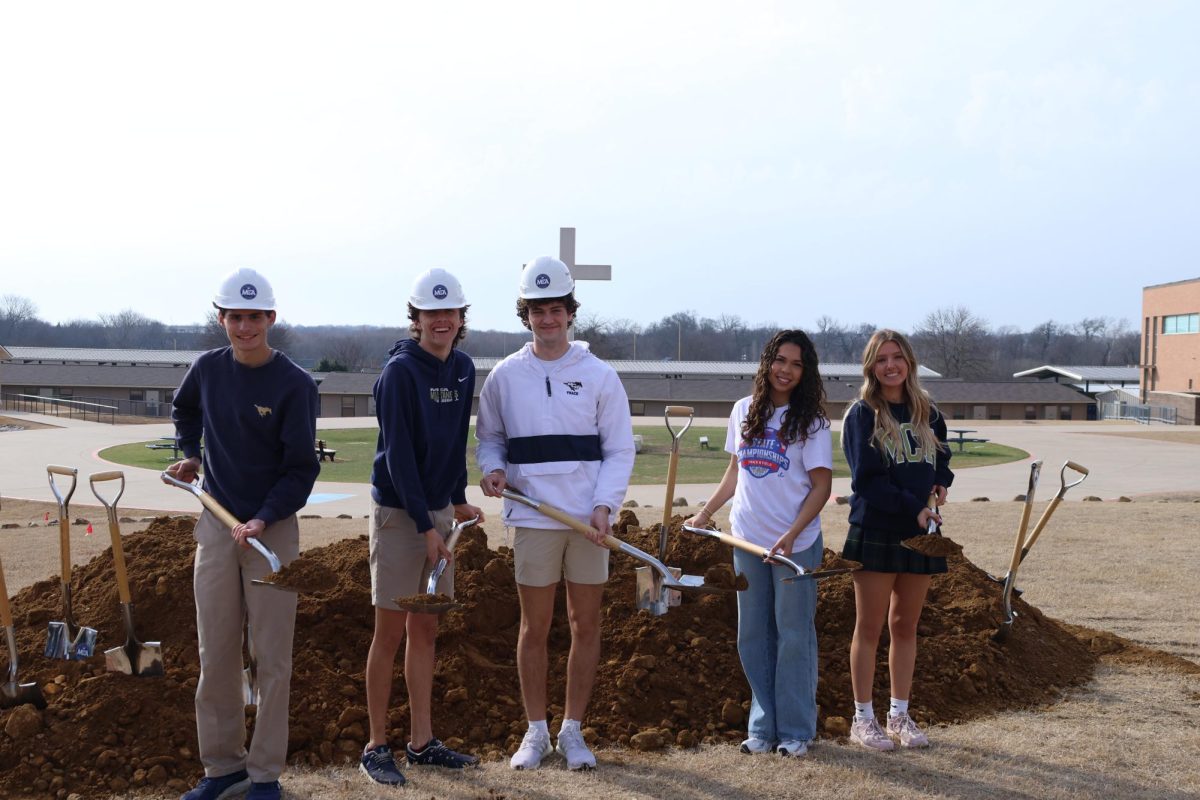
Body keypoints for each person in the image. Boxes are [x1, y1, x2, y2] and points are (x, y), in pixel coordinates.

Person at [476, 255, 635, 771]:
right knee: (534, 627)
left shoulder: (598, 375)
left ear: (571, 312)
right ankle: (535, 731)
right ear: (526, 315)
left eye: (556, 309)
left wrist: (604, 505)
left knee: (585, 625)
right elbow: (491, 439)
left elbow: (618, 449)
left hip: (587, 523)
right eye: (537, 310)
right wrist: (494, 468)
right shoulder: (504, 376)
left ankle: (572, 731)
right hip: (533, 518)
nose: (548, 319)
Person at [169, 268, 320, 800]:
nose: (245, 326)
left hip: (270, 534)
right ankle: (223, 768)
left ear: (270, 319)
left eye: (255, 317)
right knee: (216, 653)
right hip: (216, 525)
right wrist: (190, 451)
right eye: (235, 317)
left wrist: (264, 517)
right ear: (222, 319)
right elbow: (184, 409)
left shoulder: (295, 384)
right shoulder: (207, 369)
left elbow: (302, 468)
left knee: (272, 657)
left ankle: (264, 774)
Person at [360, 268, 485, 786]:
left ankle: (421, 741)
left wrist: (455, 501)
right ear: (416, 319)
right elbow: (399, 458)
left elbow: (455, 442)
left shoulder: (462, 369)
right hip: (399, 513)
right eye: (430, 314)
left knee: (426, 629)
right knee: (389, 631)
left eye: (449, 313)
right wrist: (424, 527)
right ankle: (375, 745)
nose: (441, 321)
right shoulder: (399, 374)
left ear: (461, 319)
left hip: (435, 511)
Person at [684, 330, 832, 758]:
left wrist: (790, 535)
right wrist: (706, 513)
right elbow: (735, 473)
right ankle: (763, 728)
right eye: (780, 360)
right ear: (767, 362)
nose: (786, 370)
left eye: (797, 364)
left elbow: (822, 487)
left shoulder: (814, 422)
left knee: (793, 634)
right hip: (746, 541)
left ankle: (796, 730)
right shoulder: (743, 411)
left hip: (795, 544)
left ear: (806, 373)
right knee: (752, 635)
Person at [841, 329, 953, 751]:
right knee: (869, 627)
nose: (891, 366)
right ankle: (862, 719)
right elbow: (866, 480)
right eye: (881, 359)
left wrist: (941, 484)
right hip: (877, 528)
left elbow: (942, 458)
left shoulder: (928, 410)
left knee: (905, 625)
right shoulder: (862, 413)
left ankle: (899, 715)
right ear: (871, 366)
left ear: (909, 362)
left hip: (919, 531)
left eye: (897, 357)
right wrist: (914, 507)